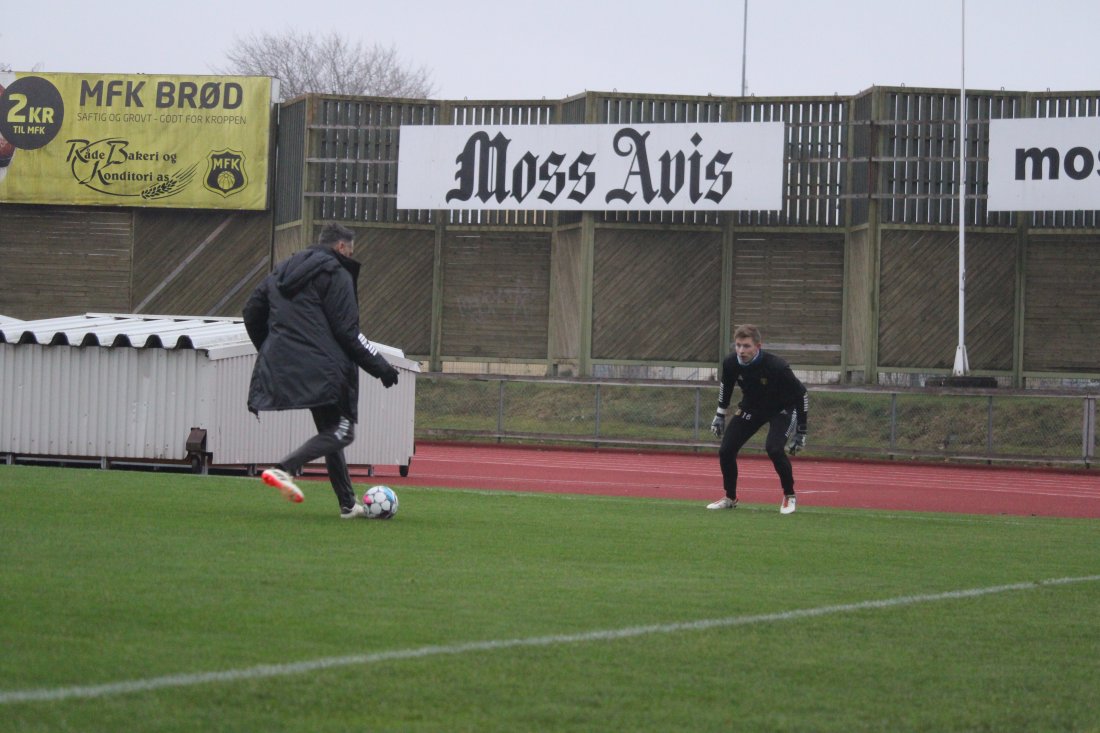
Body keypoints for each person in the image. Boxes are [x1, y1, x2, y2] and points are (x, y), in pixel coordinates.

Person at [243, 223, 400, 519]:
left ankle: (347, 504)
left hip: (291, 366)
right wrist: (381, 368)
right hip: (325, 369)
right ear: (341, 248)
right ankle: (284, 470)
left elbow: (251, 312)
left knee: (330, 431)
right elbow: (348, 330)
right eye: (350, 252)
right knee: (342, 432)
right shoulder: (335, 272)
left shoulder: (281, 271)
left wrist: (272, 350)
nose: (351, 256)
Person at [707, 324, 808, 514]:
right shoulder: (730, 363)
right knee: (726, 450)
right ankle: (730, 498)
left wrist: (801, 431)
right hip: (752, 408)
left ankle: (789, 495)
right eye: (738, 345)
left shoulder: (777, 366)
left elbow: (801, 395)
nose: (741, 351)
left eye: (746, 346)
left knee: (774, 449)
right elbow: (725, 386)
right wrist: (720, 414)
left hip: (781, 409)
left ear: (757, 347)